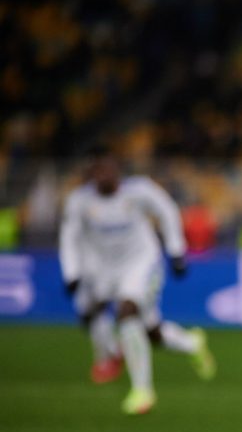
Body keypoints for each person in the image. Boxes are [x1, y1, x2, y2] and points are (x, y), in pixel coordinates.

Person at [59, 147, 216, 414]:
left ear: (117, 170)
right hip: (104, 269)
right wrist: (71, 273)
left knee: (126, 312)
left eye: (108, 169)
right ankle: (190, 343)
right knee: (145, 330)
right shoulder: (79, 201)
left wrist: (176, 250)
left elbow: (167, 211)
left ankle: (142, 390)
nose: (103, 175)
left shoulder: (139, 191)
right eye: (98, 170)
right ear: (92, 173)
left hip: (142, 263)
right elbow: (69, 236)